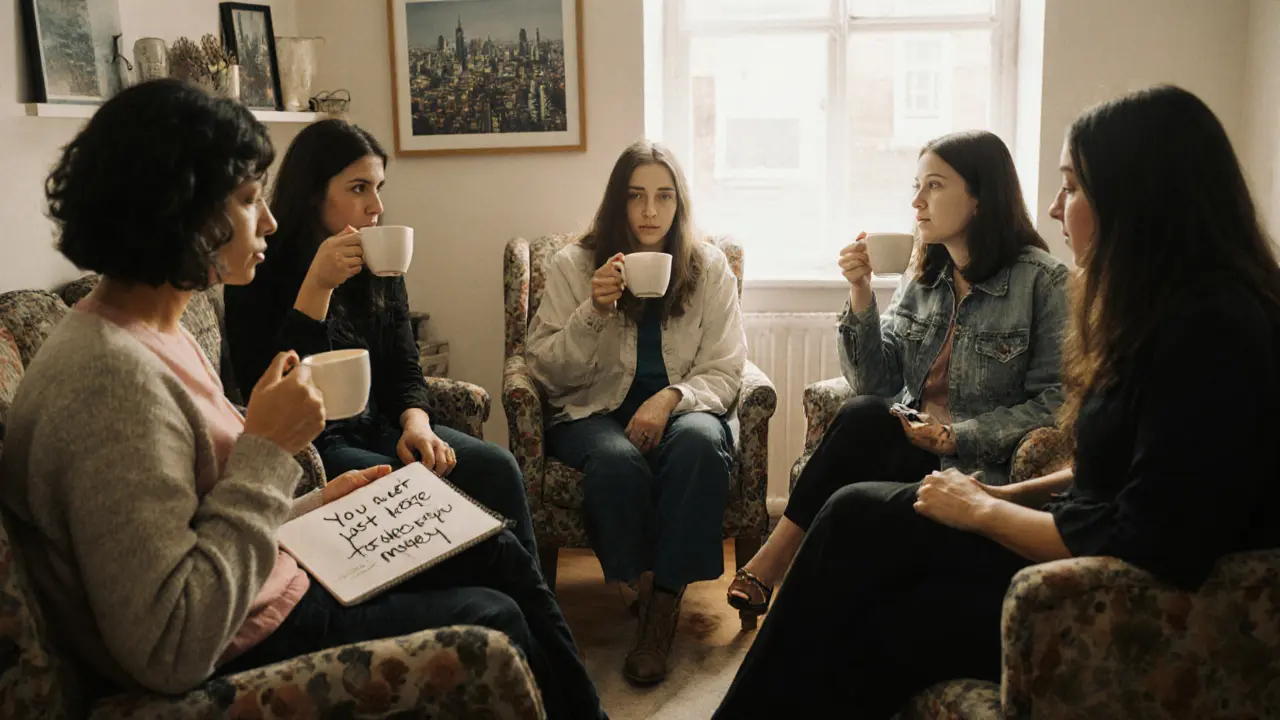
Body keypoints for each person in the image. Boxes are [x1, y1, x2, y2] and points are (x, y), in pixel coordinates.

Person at [0, 79, 605, 719]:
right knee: (494, 616)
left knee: (497, 549)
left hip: (271, 571)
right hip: (251, 631)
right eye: (246, 199)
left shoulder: (152, 329)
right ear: (179, 210)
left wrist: (312, 505)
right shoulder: (107, 382)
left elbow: (199, 516)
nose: (266, 220)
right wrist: (267, 452)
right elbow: (171, 644)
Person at [713, 84, 1280, 718]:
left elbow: (1152, 535)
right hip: (1057, 527)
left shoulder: (1211, 333)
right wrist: (1001, 498)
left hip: (1093, 587)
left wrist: (982, 508)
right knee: (857, 511)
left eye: (1072, 186)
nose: (1056, 206)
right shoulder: (1164, 314)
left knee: (859, 547)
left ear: (1137, 197)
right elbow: (1123, 472)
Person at [728, 130, 1070, 619]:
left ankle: (786, 586)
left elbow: (1054, 402)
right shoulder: (924, 276)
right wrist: (861, 291)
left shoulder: (1043, 282)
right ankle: (778, 564)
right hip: (906, 446)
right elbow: (874, 380)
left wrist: (958, 437)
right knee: (865, 411)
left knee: (856, 464)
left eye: (933, 186)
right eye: (917, 185)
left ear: (980, 197)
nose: (916, 201)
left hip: (973, 468)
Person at [223, 120, 537, 564]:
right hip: (314, 446)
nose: (376, 205)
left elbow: (404, 366)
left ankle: (521, 608)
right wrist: (317, 286)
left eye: (378, 187)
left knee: (497, 467)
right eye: (358, 188)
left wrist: (417, 424)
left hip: (381, 429)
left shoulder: (378, 261)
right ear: (314, 193)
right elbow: (270, 383)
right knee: (407, 485)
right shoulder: (257, 267)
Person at [526, 140, 746, 685]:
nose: (650, 212)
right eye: (636, 197)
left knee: (698, 442)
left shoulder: (709, 267)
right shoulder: (575, 265)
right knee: (616, 461)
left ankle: (662, 606)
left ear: (679, 203)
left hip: (684, 406)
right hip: (591, 412)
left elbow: (726, 369)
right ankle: (640, 582)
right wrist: (592, 311)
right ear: (616, 202)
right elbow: (544, 371)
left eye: (664, 197)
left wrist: (669, 397)